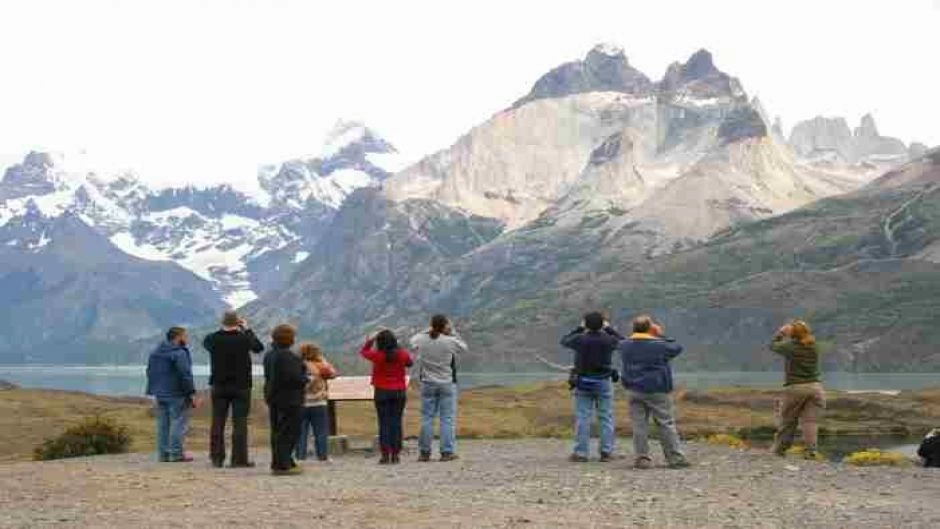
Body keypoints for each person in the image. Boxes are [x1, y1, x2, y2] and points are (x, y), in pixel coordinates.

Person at [619, 315, 690, 469]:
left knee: (639, 424)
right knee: (665, 423)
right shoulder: (660, 345)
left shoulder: (624, 345)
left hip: (633, 389)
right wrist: (660, 334)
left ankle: (642, 458)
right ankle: (675, 458)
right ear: (650, 328)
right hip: (657, 389)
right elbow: (677, 347)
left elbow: (622, 340)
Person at [203, 310, 264, 468]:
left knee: (217, 421)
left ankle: (217, 458)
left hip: (219, 385)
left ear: (222, 322)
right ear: (238, 322)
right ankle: (239, 459)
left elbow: (207, 345)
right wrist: (247, 329)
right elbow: (258, 348)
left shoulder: (211, 338)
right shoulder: (244, 338)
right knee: (240, 423)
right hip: (241, 385)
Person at [560, 311, 624, 463]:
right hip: (603, 381)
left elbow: (564, 340)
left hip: (583, 381)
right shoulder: (609, 340)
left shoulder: (579, 339)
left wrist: (579, 328)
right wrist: (609, 329)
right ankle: (606, 452)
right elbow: (624, 342)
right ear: (602, 324)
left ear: (585, 324)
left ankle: (580, 453)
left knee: (583, 417)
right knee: (606, 417)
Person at [412, 314, 467, 462]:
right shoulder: (449, 341)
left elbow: (413, 340)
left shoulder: (421, 340)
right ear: (444, 326)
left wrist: (429, 329)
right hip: (446, 382)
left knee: (427, 418)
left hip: (427, 382)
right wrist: (452, 331)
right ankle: (447, 452)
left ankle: (424, 452)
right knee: (447, 418)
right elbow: (463, 347)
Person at [770, 320, 825, 459]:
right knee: (810, 421)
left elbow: (772, 346)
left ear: (793, 333)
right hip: (816, 388)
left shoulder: (791, 346)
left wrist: (780, 333)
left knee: (788, 420)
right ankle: (811, 451)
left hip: (795, 387)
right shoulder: (814, 346)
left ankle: (779, 450)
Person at [361, 329, 413, 464]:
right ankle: (396, 454)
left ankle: (385, 455)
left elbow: (363, 352)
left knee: (384, 423)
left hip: (381, 392)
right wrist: (399, 347)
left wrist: (370, 340)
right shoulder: (402, 354)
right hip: (399, 392)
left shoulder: (378, 356)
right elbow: (409, 363)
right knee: (396, 422)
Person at [145, 326, 197, 463]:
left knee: (163, 424)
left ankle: (163, 455)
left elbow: (149, 371)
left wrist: (154, 389)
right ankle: (176, 454)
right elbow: (185, 374)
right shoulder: (179, 353)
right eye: (185, 336)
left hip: (159, 393)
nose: (187, 338)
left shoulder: (155, 352)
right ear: (178, 337)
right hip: (176, 393)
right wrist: (191, 393)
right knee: (178, 423)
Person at [263, 324, 309, 475]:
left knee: (277, 431)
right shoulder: (289, 357)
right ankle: (284, 464)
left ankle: (280, 461)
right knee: (289, 431)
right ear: (289, 339)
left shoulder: (269, 355)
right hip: (290, 399)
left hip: (274, 398)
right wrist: (305, 378)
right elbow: (295, 379)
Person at [295, 343, 337, 462]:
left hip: (301, 402)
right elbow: (333, 373)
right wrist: (324, 361)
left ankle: (300, 456)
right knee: (321, 431)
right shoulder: (321, 366)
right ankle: (323, 456)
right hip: (319, 402)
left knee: (301, 432)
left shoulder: (298, 365)